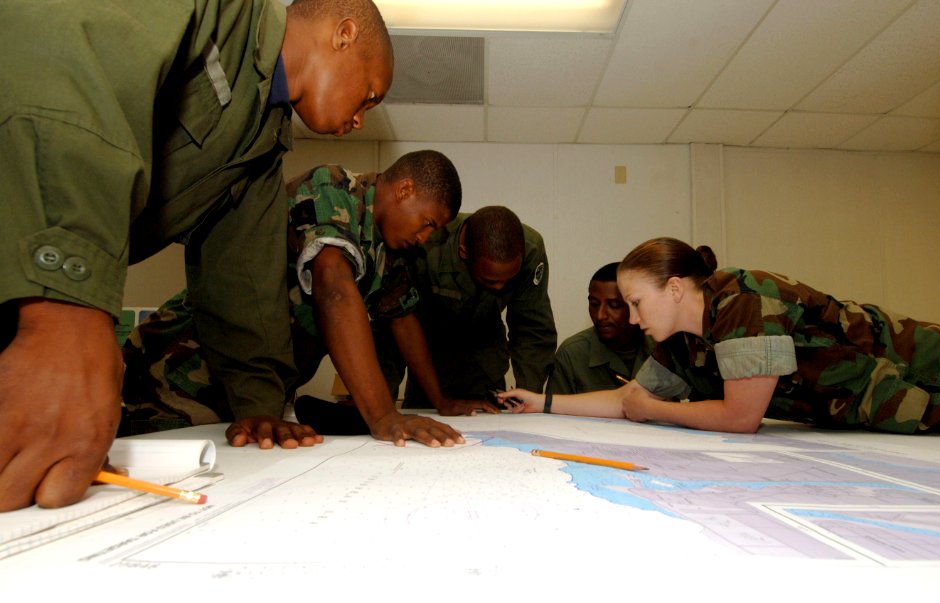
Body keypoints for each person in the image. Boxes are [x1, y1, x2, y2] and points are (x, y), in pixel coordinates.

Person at [0, 0, 393, 511]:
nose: (360, 120)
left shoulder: (260, 150)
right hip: (38, 278)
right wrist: (65, 304)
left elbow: (242, 282)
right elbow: (63, 43)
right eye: (368, 95)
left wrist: (257, 406)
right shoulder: (223, 12)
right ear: (344, 35)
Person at [123, 150, 495, 447]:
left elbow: (403, 319)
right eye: (428, 223)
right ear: (405, 191)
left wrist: (440, 401)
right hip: (177, 374)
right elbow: (334, 286)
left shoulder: (389, 250)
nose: (425, 238)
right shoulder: (332, 187)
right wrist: (384, 416)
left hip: (248, 394)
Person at [501, 237, 940, 435]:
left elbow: (741, 419)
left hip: (921, 370)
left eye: (636, 302)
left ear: (675, 288)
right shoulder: (683, 340)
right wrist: (540, 402)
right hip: (873, 405)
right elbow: (629, 399)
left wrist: (655, 410)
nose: (634, 319)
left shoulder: (743, 299)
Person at [375, 206, 557, 408]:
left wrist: (528, 400)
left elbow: (533, 331)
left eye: (508, 280)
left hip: (485, 368)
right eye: (489, 281)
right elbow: (392, 328)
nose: (500, 287)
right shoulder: (426, 242)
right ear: (464, 253)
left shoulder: (531, 250)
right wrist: (379, 408)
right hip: (426, 365)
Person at [547, 262, 655, 395]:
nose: (600, 315)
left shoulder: (661, 347)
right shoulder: (572, 354)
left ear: (636, 305)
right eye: (594, 304)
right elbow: (555, 412)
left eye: (614, 305)